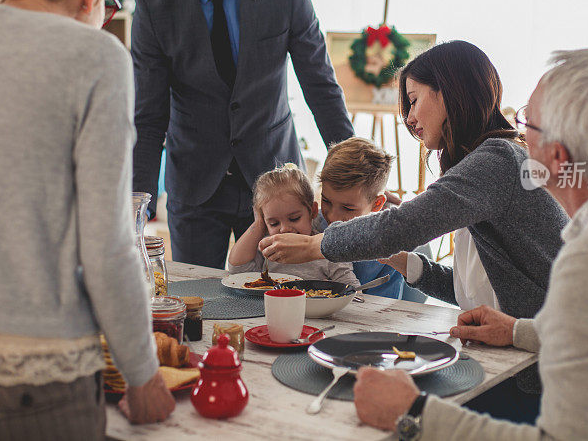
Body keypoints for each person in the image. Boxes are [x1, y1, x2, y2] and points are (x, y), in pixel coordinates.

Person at [353, 46, 588, 440]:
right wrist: (519, 330)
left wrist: (412, 412)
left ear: (557, 154)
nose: (517, 134)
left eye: (526, 122)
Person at [0, 0, 174, 437]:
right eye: (109, 1)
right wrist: (142, 373)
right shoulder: (94, 55)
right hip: (39, 369)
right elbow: (108, 243)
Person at [260, 40, 569, 421]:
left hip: (538, 373)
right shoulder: (494, 159)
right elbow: (477, 289)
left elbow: (402, 224)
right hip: (521, 357)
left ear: (449, 92)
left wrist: (314, 245)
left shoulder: (496, 161)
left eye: (414, 99)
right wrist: (406, 263)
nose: (408, 117)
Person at [132, 0, 355, 269]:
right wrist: (137, 210)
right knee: (198, 302)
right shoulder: (153, 7)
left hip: (279, 186)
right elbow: (149, 116)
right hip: (196, 188)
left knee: (288, 297)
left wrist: (354, 177)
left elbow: (321, 87)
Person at [228, 165, 359, 286]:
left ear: (312, 211)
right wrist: (259, 223)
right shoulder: (268, 249)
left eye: (294, 218)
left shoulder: (325, 247)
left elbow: (351, 288)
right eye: (274, 223)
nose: (284, 229)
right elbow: (238, 269)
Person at [315, 137, 406, 299]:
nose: (333, 217)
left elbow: (383, 311)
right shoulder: (311, 225)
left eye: (348, 208)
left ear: (377, 204)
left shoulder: (389, 248)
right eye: (326, 201)